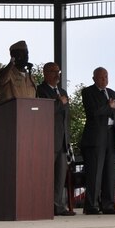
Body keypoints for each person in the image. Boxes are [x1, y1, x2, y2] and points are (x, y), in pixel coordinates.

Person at [80, 67, 115, 215]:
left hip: (112, 137)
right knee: (95, 173)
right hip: (96, 138)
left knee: (110, 173)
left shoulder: (113, 93)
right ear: (94, 79)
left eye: (106, 76)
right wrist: (108, 107)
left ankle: (108, 205)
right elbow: (92, 113)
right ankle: (91, 205)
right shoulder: (88, 92)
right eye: (101, 77)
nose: (104, 80)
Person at [37, 62, 75, 216]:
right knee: (46, 175)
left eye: (58, 71)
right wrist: (60, 102)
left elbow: (65, 118)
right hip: (49, 139)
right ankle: (43, 205)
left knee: (60, 176)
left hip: (63, 140)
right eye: (53, 72)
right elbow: (44, 112)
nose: (57, 75)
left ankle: (58, 206)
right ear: (45, 73)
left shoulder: (62, 91)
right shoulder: (41, 90)